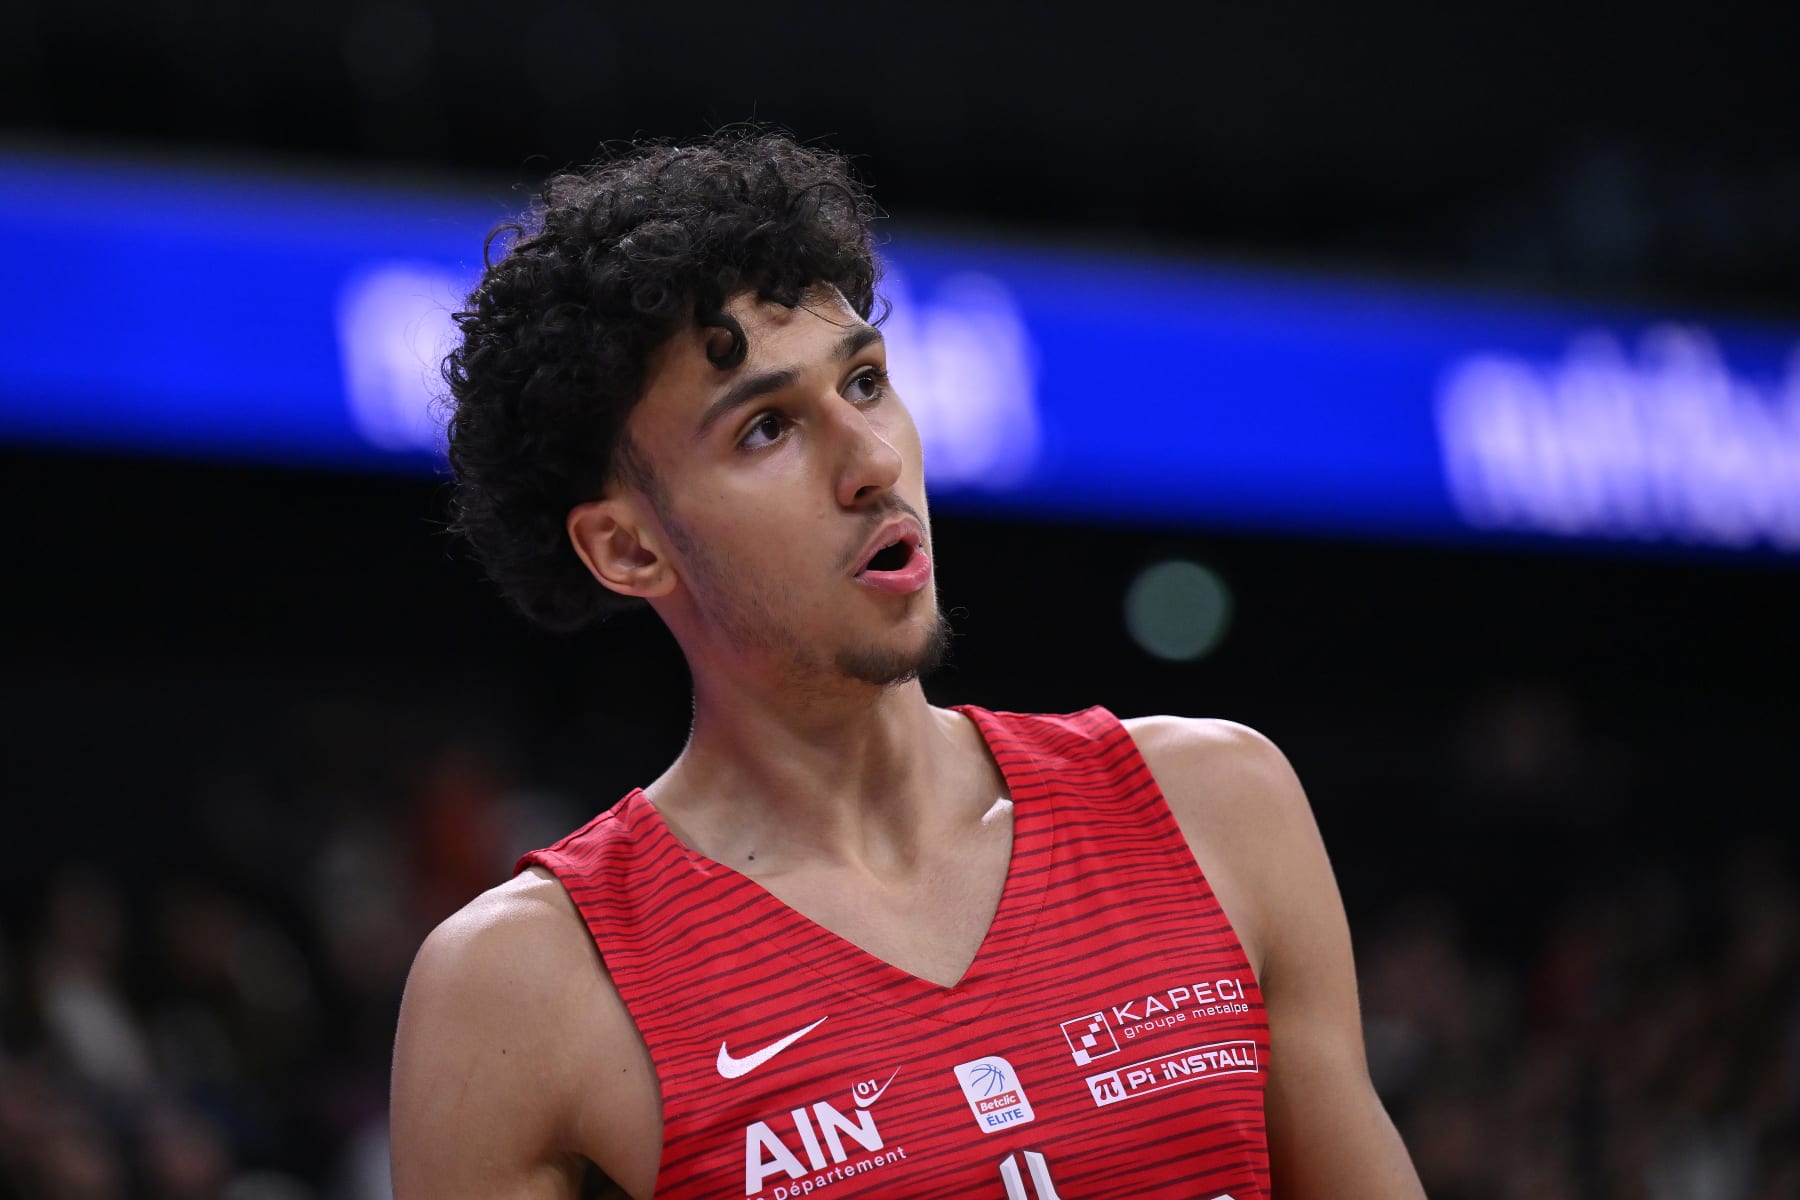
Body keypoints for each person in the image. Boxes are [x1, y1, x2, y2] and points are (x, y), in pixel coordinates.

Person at [390, 131, 1425, 1200]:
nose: (873, 461)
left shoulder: (1215, 804)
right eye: (766, 429)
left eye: (867, 381)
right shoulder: (525, 989)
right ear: (627, 547)